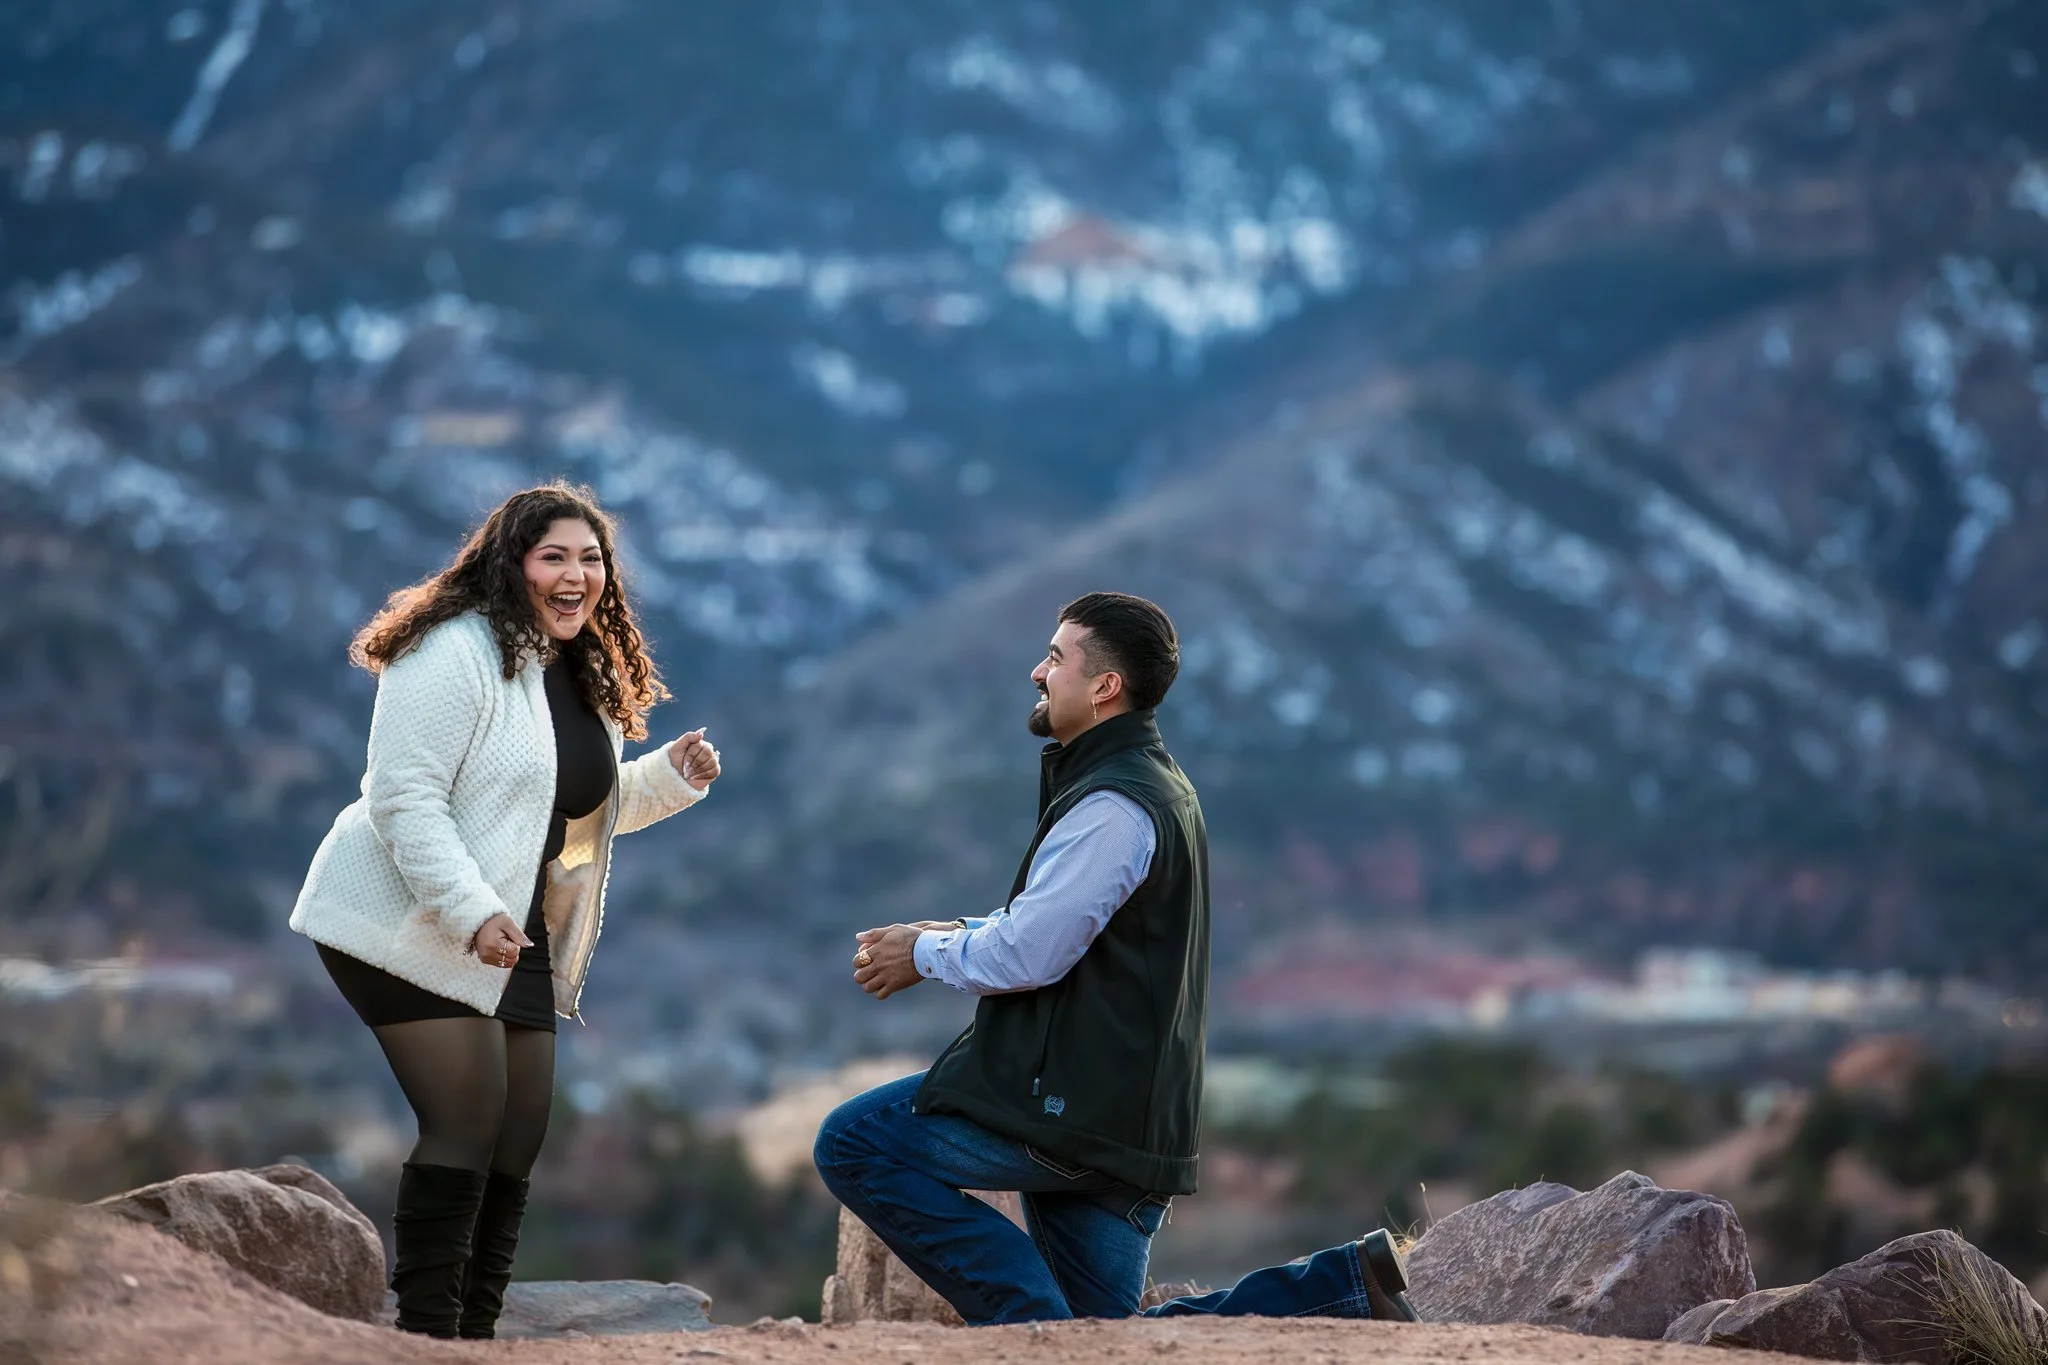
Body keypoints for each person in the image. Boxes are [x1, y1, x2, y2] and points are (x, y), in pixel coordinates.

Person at [813, 591, 1419, 1325]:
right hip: (1122, 1117)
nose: (1038, 671)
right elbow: (1069, 925)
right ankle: (1344, 1289)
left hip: (1068, 1106)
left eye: (1056, 657)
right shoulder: (1148, 784)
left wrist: (926, 952)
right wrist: (957, 927)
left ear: (1105, 686)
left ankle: (1036, 1337)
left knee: (852, 1142)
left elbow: (1032, 952)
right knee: (1113, 1338)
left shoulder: (1115, 803)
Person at [289, 482, 722, 1338]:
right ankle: (426, 1336)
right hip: (403, 921)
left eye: (590, 558)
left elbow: (546, 809)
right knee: (467, 1119)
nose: (576, 574)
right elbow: (402, 800)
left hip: (506, 931)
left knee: (517, 1138)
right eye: (553, 555)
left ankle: (476, 1336)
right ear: (510, 562)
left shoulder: (577, 670)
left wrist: (667, 779)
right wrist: (470, 911)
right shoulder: (454, 650)